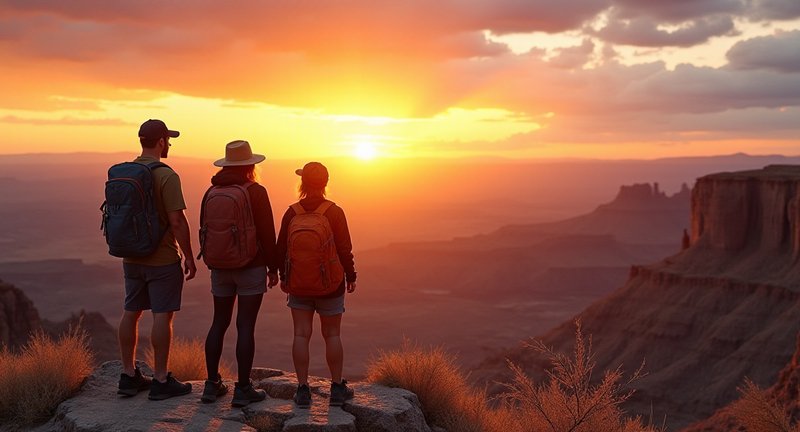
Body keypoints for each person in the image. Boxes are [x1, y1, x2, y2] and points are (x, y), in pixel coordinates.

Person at [116, 119, 197, 400]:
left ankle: (128, 376)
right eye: (168, 140)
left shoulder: (127, 171)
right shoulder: (166, 175)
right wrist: (189, 256)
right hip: (161, 259)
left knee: (132, 312)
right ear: (161, 141)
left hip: (130, 256)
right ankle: (161, 379)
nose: (170, 144)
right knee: (163, 315)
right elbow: (177, 220)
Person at [199, 140, 279, 407]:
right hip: (250, 267)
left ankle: (211, 385)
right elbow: (268, 233)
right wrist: (274, 267)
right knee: (245, 325)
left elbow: (204, 230)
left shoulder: (212, 190)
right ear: (251, 165)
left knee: (218, 323)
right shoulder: (256, 191)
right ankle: (243, 389)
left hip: (220, 268)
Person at [276, 161, 357, 408]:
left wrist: (282, 276)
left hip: (298, 284)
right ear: (325, 183)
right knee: (332, 334)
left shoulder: (292, 212)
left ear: (302, 183)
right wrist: (351, 275)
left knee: (301, 334)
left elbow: (281, 249)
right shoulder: (334, 211)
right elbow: (344, 249)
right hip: (330, 285)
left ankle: (302, 390)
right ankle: (336, 388)